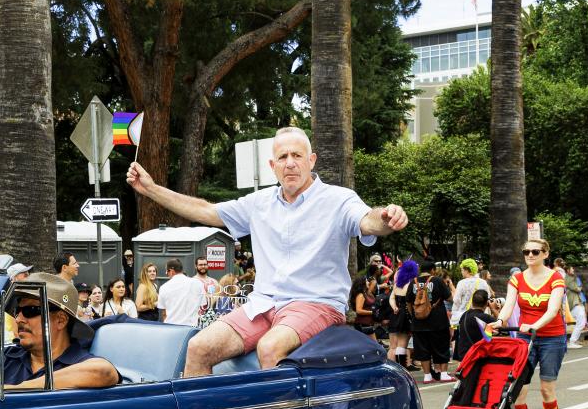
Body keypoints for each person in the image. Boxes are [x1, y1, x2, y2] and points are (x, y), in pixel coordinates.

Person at [127, 126, 408, 375]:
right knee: (198, 347)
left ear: (311, 161)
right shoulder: (258, 203)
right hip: (263, 304)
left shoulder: (338, 199)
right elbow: (205, 210)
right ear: (272, 165)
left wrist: (386, 217)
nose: (290, 164)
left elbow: (368, 221)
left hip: (316, 303)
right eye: (283, 158)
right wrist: (151, 189)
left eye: (297, 156)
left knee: (270, 347)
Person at [0, 273, 119, 391]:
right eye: (17, 311)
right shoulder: (0, 360)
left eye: (30, 310)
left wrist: (19, 389)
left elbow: (104, 372)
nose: (18, 319)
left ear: (61, 320)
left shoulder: (81, 363)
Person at [488, 238, 568, 409]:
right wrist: (499, 321)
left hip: (552, 338)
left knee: (546, 389)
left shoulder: (555, 278)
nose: (530, 255)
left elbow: (553, 310)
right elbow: (508, 306)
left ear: (545, 254)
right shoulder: (517, 279)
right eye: (526, 252)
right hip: (525, 337)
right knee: (517, 390)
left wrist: (535, 325)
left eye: (535, 251)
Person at [409, 260, 453, 383]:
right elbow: (449, 298)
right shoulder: (437, 281)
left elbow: (408, 302)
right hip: (438, 321)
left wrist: (415, 314)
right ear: (433, 270)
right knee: (442, 347)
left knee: (423, 349)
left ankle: (427, 376)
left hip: (418, 323)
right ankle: (444, 374)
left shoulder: (413, 282)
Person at [387, 259, 419, 370]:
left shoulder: (397, 284)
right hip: (407, 314)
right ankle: (403, 369)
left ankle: (402, 368)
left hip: (398, 314)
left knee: (400, 343)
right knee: (403, 344)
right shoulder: (412, 283)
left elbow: (391, 298)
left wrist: (395, 307)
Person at [452, 288, 499, 362]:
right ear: (487, 303)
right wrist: (494, 309)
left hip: (464, 355)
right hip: (477, 356)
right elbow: (503, 325)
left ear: (472, 302)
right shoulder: (485, 318)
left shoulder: (465, 314)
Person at [156, 257, 206, 326]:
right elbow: (202, 307)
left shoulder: (163, 287)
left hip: (171, 327)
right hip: (191, 328)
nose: (166, 274)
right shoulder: (198, 283)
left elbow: (164, 313)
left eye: (167, 271)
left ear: (171, 271)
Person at [450, 258, 491, 339]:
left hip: (464, 317)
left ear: (466, 270)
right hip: (480, 318)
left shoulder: (461, 283)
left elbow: (456, 301)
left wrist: (453, 315)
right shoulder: (483, 282)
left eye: (462, 270)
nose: (461, 272)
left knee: (463, 340)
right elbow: (488, 297)